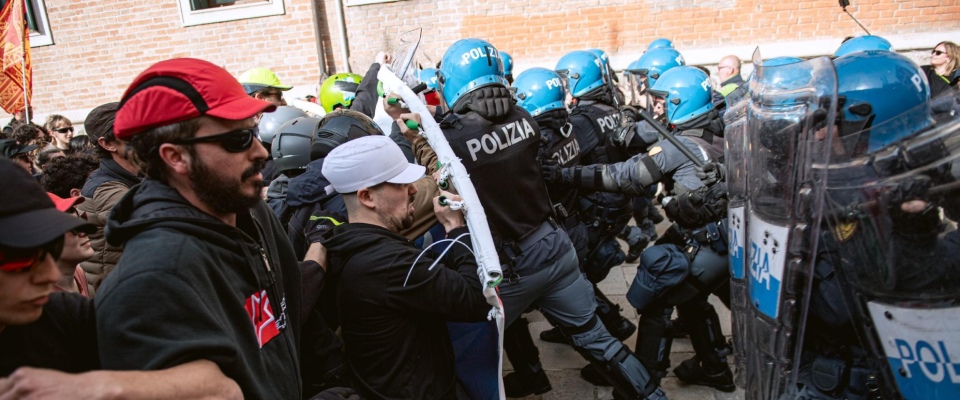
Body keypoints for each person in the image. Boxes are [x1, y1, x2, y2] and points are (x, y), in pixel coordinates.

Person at [414, 38, 665, 400]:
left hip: (510, 272)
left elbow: (444, 165)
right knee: (597, 339)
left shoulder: (453, 139)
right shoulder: (525, 118)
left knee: (457, 351)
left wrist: (416, 130)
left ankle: (525, 376)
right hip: (556, 251)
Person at [95, 57, 323, 399]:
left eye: (255, 131)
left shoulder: (250, 210)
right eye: (238, 139)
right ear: (175, 157)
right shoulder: (153, 280)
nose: (260, 151)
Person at [544, 65, 734, 392]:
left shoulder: (678, 145)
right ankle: (715, 368)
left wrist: (563, 175)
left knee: (656, 301)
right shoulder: (716, 126)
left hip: (706, 243)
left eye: (662, 102)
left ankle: (640, 386)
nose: (656, 107)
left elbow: (624, 177)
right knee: (693, 299)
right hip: (723, 238)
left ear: (680, 102)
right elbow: (638, 136)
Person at [0, 158, 242, 399]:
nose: (49, 275)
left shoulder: (59, 315)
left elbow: (220, 387)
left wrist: (97, 386)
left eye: (50, 250)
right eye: (21, 259)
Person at [319, 134, 490, 399]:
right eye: (401, 184)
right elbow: (477, 298)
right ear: (367, 197)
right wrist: (455, 228)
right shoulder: (388, 263)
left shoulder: (353, 246)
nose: (413, 190)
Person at [76, 102, 141, 294]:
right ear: (108, 143)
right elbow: (147, 225)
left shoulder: (138, 174)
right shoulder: (106, 187)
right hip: (116, 292)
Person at [46, 193, 95, 298]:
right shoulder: (41, 299)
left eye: (81, 220)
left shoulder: (78, 272)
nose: (84, 232)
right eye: (73, 226)